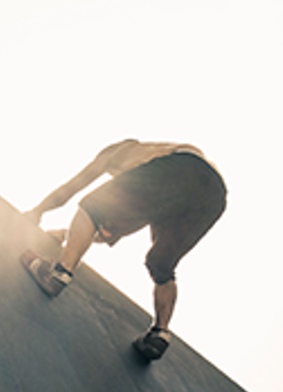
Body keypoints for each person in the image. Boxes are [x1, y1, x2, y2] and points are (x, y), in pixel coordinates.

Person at [21, 140, 226, 361]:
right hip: (213, 196)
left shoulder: (122, 152)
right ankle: (159, 334)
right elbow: (105, 232)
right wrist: (64, 234)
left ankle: (59, 273)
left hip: (184, 167)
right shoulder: (150, 190)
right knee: (161, 263)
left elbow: (74, 189)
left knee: (93, 205)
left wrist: (37, 211)